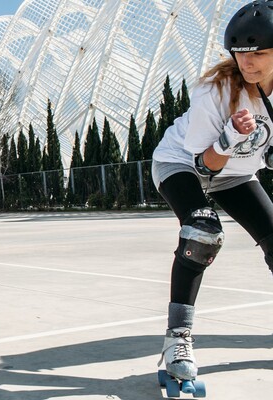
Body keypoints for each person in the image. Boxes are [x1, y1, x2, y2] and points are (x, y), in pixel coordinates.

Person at [151, 0, 273, 386]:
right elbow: (205, 165)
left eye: (259, 54)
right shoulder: (217, 90)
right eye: (240, 53)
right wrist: (231, 137)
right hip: (183, 164)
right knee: (202, 232)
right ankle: (178, 339)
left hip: (237, 174)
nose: (247, 63)